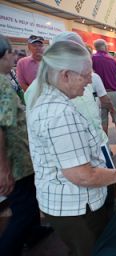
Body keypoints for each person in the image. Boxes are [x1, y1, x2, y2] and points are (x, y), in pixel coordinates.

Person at [26, 40, 116, 256]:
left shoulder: (47, 99)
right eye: (86, 74)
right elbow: (83, 175)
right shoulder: (60, 113)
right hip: (76, 207)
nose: (90, 80)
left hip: (66, 204)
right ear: (65, 75)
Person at [0, 34, 52, 256]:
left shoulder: (5, 78)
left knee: (30, 200)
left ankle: (34, 232)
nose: (14, 55)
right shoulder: (1, 84)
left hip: (23, 157)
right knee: (24, 208)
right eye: (10, 52)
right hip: (15, 162)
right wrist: (4, 170)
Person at [92, 39, 116, 149]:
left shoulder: (92, 59)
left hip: (99, 95)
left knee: (103, 121)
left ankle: (106, 147)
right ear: (105, 47)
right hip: (113, 93)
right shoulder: (114, 61)